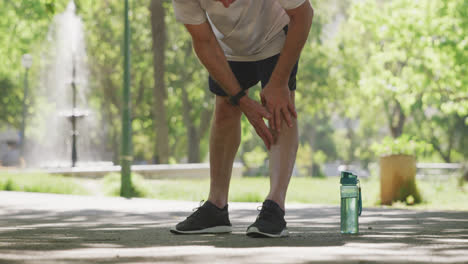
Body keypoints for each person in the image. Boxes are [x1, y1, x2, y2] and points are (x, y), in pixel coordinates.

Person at [170, 0, 313, 238]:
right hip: (227, 46)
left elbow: (304, 15)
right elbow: (203, 41)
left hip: (276, 35)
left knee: (279, 108)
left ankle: (275, 206)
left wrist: (279, 82)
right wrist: (241, 99)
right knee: (225, 109)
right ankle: (216, 207)